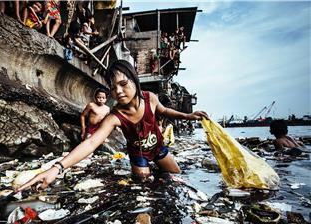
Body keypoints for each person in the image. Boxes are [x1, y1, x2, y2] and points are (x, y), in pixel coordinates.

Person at [17, 60, 208, 191]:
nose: (118, 91)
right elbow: (91, 144)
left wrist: (188, 115)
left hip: (158, 147)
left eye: (123, 83)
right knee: (143, 182)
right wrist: (56, 168)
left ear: (134, 79)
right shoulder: (114, 116)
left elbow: (165, 111)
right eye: (113, 87)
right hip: (138, 154)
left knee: (175, 175)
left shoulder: (150, 99)